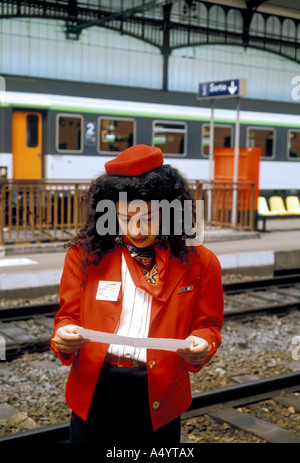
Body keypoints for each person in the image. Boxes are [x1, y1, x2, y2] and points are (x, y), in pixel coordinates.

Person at [51, 144, 223, 445]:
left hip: (160, 393)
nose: (136, 229)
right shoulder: (85, 255)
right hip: (95, 386)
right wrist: (64, 334)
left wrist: (203, 343)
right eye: (125, 217)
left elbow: (208, 326)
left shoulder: (201, 262)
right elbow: (67, 317)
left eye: (148, 217)